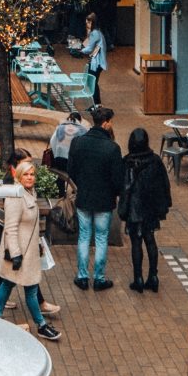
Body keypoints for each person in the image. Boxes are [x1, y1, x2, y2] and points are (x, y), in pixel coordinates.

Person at [0, 150, 61, 341]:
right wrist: (16, 255)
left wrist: (38, 244)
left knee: (9, 282)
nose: (30, 177)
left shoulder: (29, 192)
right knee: (29, 288)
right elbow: (10, 228)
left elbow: (32, 225)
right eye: (26, 174)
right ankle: (41, 325)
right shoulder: (15, 196)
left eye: (32, 174)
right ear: (19, 177)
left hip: (28, 252)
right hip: (19, 253)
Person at [68, 106, 125, 290]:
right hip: (104, 200)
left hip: (84, 196)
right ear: (106, 123)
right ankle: (99, 278)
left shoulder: (78, 142)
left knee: (84, 236)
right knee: (101, 238)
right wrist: (115, 194)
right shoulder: (112, 148)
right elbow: (118, 178)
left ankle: (82, 276)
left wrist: (82, 185)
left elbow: (71, 171)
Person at [121, 126, 172, 291]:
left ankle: (138, 278)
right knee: (150, 240)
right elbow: (164, 184)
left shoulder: (127, 161)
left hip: (134, 208)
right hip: (151, 207)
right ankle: (153, 276)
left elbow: (122, 185)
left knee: (136, 242)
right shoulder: (155, 160)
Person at [81, 16, 108, 103]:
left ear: (93, 23)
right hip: (95, 62)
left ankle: (97, 104)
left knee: (93, 83)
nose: (87, 25)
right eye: (86, 23)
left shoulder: (95, 33)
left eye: (89, 23)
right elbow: (88, 43)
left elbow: (89, 48)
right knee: (92, 83)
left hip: (96, 63)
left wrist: (80, 50)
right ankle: (95, 104)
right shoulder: (96, 32)